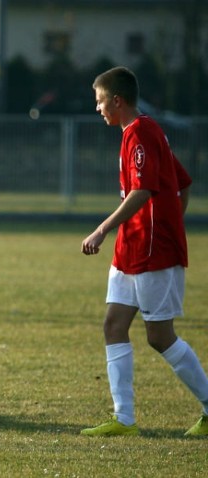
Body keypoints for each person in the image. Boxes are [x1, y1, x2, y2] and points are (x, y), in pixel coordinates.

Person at [80, 66, 208, 437]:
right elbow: (181, 184)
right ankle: (124, 419)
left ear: (117, 101)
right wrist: (171, 220)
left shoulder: (141, 134)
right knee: (113, 325)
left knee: (159, 335)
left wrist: (103, 229)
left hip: (152, 250)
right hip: (132, 248)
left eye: (101, 101)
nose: (99, 108)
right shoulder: (142, 133)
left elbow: (143, 191)